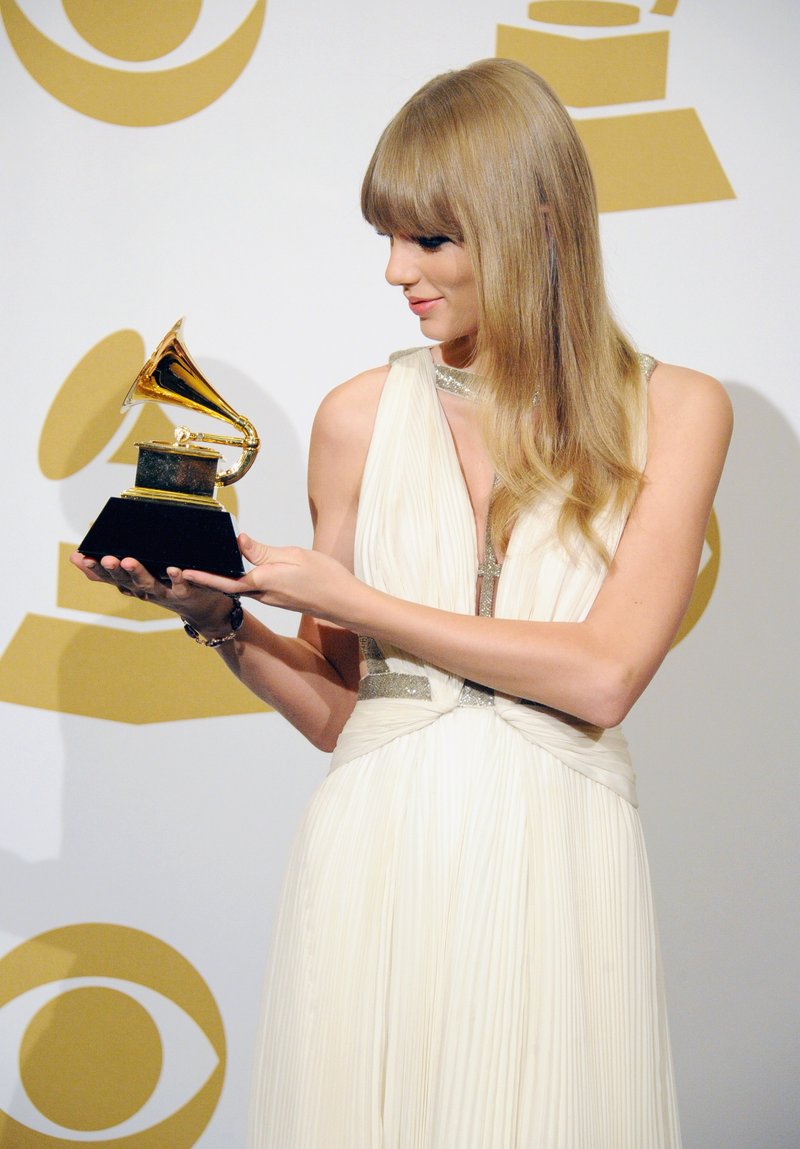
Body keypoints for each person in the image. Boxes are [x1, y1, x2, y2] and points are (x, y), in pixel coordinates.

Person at [72, 59, 731, 1149]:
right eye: (387, 238)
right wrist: (221, 621)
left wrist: (354, 595)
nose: (393, 272)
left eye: (428, 240)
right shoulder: (358, 417)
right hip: (375, 852)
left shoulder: (675, 409)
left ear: (529, 221)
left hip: (557, 859)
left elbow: (604, 676)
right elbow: (346, 713)